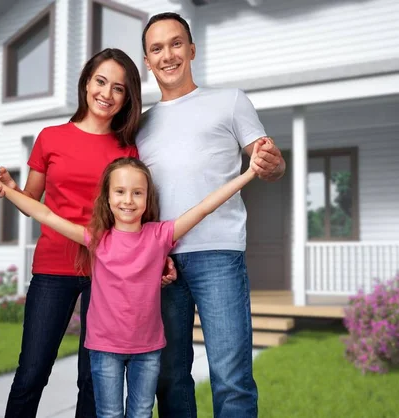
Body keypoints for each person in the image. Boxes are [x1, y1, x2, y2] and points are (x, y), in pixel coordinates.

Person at [0, 139, 267, 416]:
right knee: (109, 414)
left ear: (147, 197)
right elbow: (46, 215)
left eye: (137, 192)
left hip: (148, 351)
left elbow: (205, 206)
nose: (128, 200)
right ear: (108, 198)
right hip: (104, 350)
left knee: (140, 413)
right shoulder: (96, 239)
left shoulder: (160, 235)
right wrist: (3, 188)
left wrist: (250, 172)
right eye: (120, 192)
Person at [0, 48, 175, 417]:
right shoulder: (51, 138)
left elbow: (139, 213)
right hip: (54, 268)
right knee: (32, 372)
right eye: (100, 81)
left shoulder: (127, 148)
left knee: (93, 380)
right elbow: (31, 201)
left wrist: (161, 254)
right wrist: (7, 188)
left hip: (108, 275)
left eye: (118, 88)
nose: (106, 93)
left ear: (127, 98)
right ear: (86, 82)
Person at [137, 12, 286, 418]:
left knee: (231, 376)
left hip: (219, 254)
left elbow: (268, 162)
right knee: (168, 378)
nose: (167, 54)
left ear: (191, 49)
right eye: (156, 48)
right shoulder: (141, 124)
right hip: (161, 261)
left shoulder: (231, 100)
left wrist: (271, 163)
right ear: (147, 61)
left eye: (175, 43)